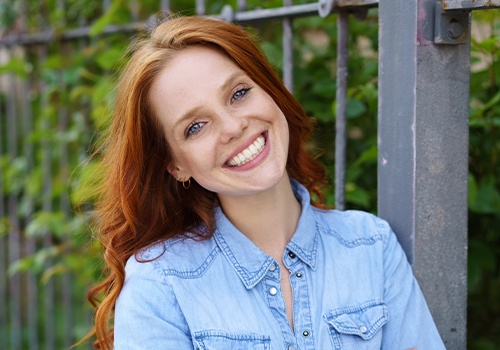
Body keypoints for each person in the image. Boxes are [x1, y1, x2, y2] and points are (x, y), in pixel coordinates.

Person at [85, 15, 445, 349]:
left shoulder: (371, 247)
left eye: (239, 93)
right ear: (176, 165)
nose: (233, 127)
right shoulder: (160, 283)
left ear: (270, 89)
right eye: (196, 126)